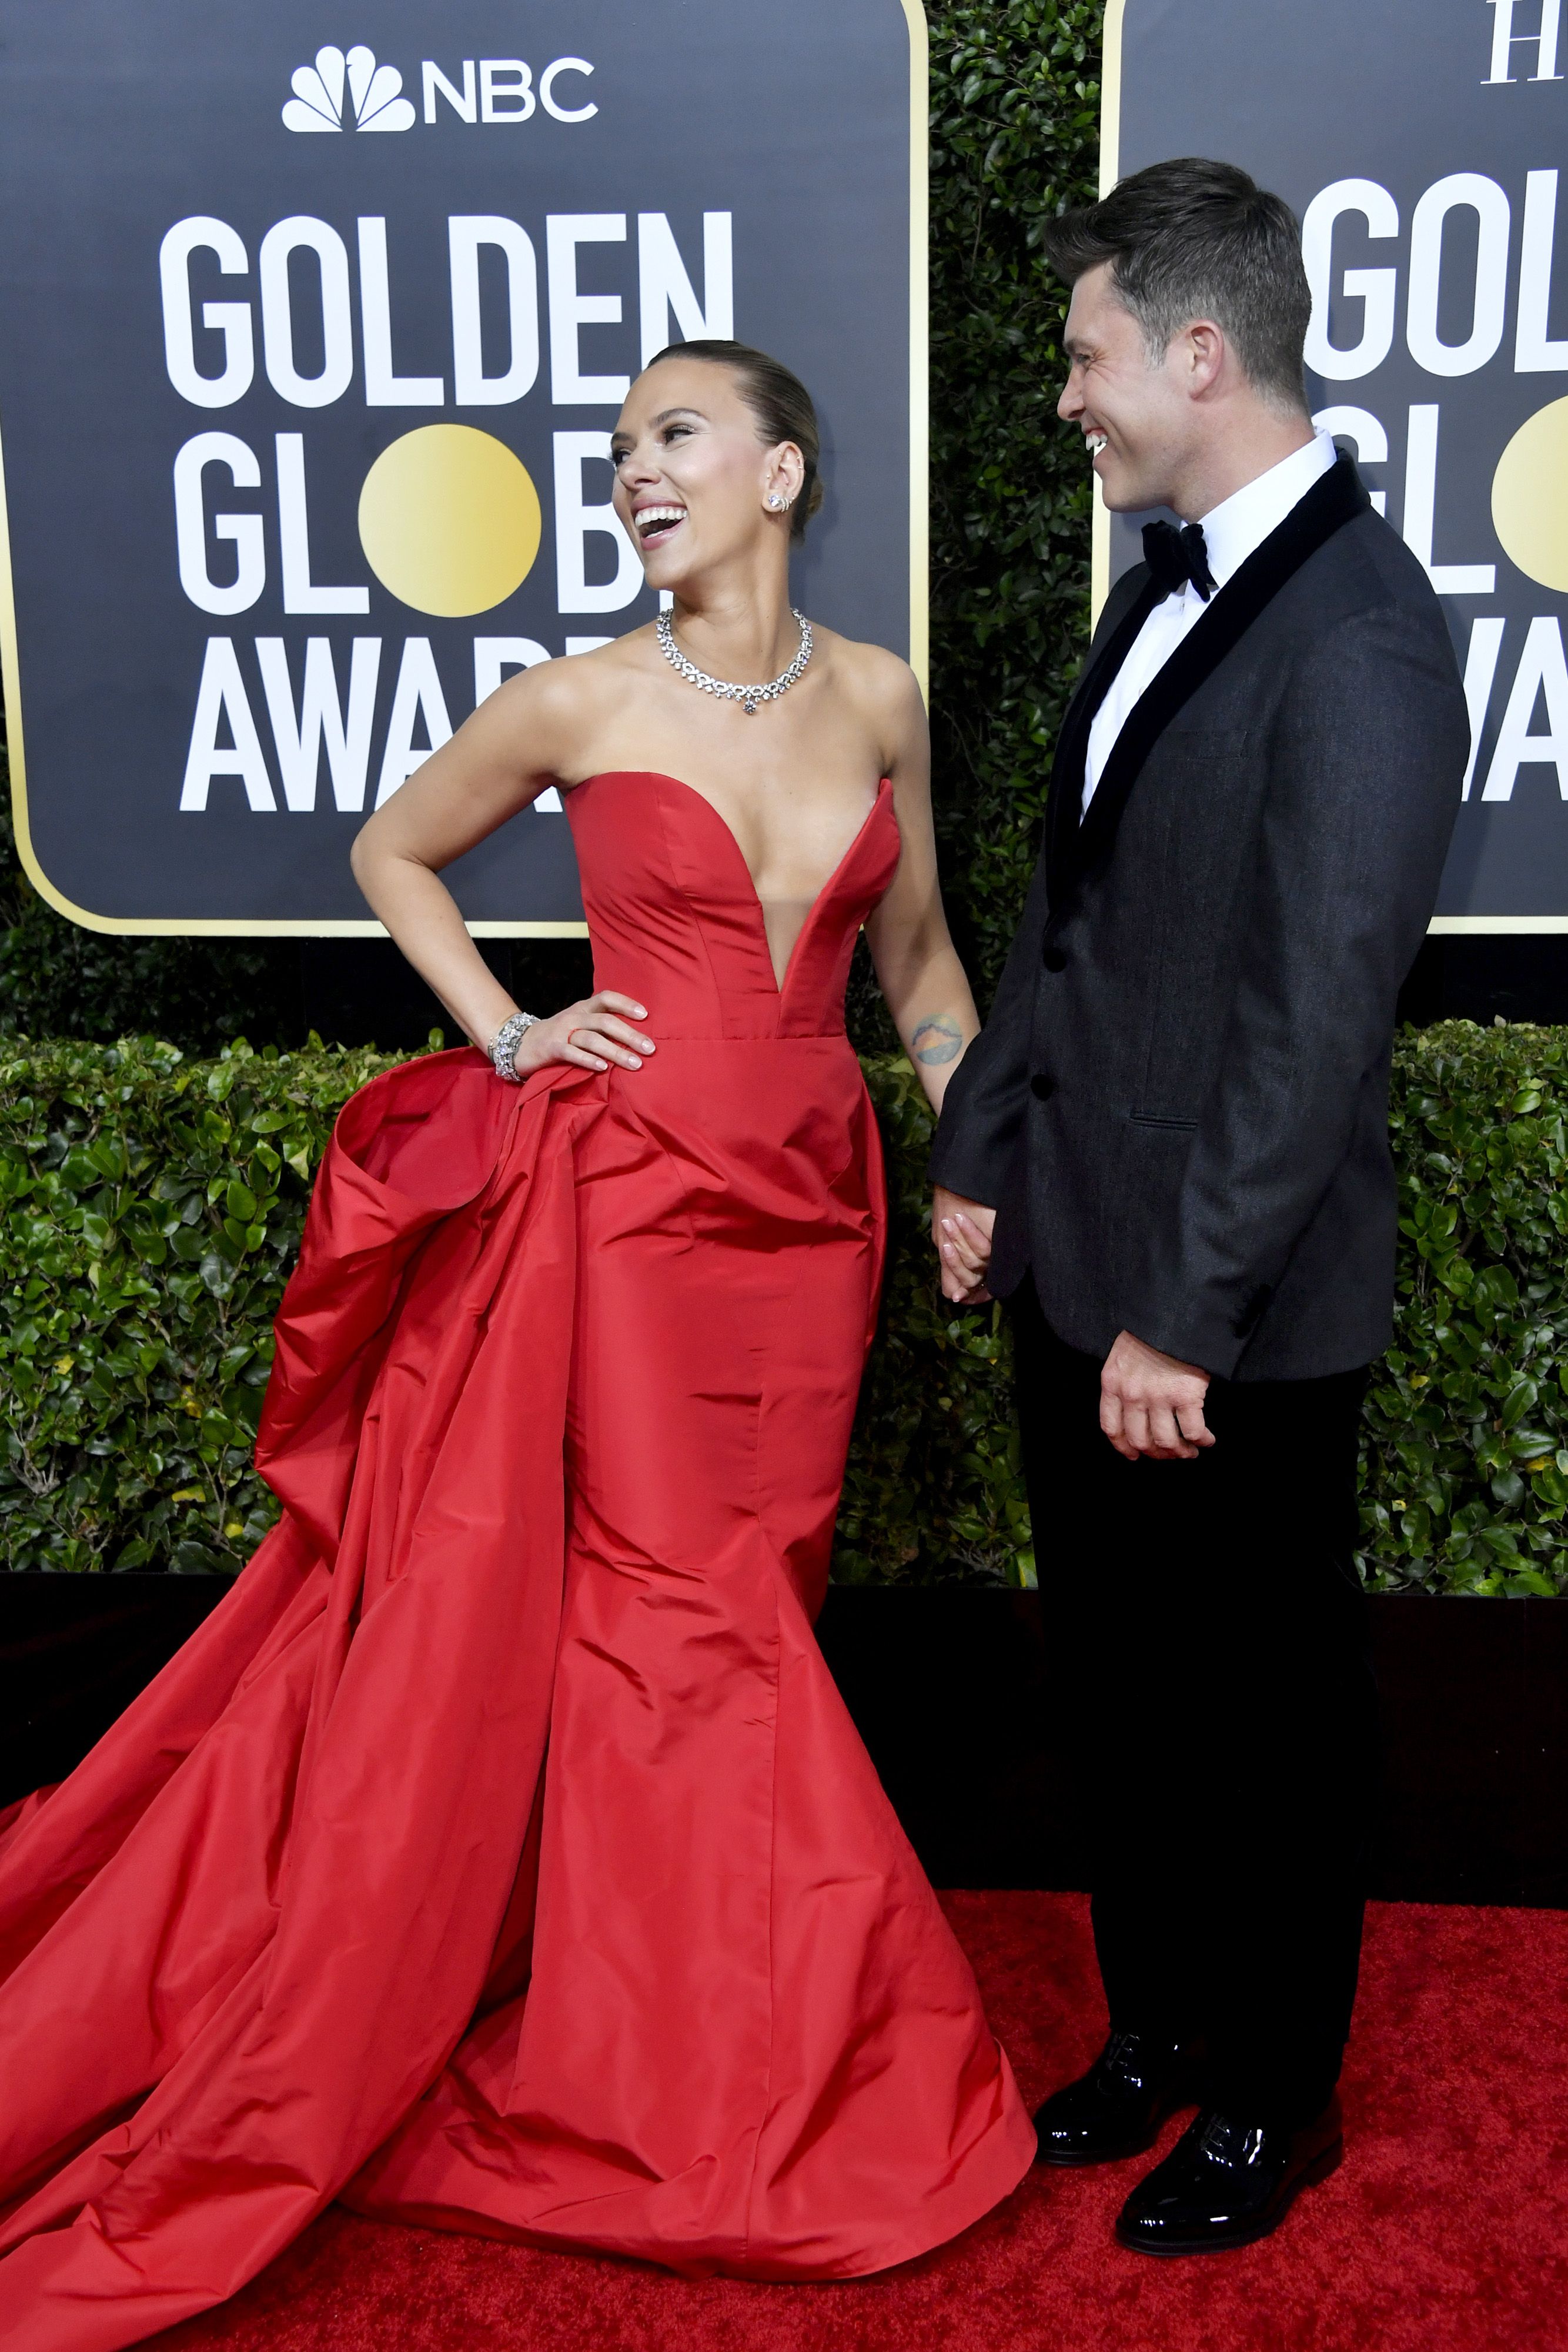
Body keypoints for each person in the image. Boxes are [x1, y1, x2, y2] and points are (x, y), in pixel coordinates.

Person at [0, 340, 1034, 2350]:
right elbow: (394, 851)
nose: (633, 473)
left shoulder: (882, 696)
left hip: (805, 1217)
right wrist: (507, 1030)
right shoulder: (577, 696)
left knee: (755, 1605)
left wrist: (968, 1156)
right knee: (680, 1618)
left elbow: (916, 967)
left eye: (670, 437)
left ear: (781, 470)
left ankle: (630, 1994)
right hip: (630, 1204)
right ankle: (722, 2073)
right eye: (616, 450)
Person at [929, 161, 1467, 2256]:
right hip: (1076, 1261)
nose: (1065, 396)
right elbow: (1073, 930)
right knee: (1128, 1691)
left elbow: (1312, 1021)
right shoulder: (1159, 584)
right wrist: (984, 1160)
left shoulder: (1362, 635)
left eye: (1082, 355)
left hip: (1213, 1318)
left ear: (1197, 353)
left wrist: (1183, 1313)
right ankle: (1161, 2018)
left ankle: (1273, 2094)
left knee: (1258, 1717)